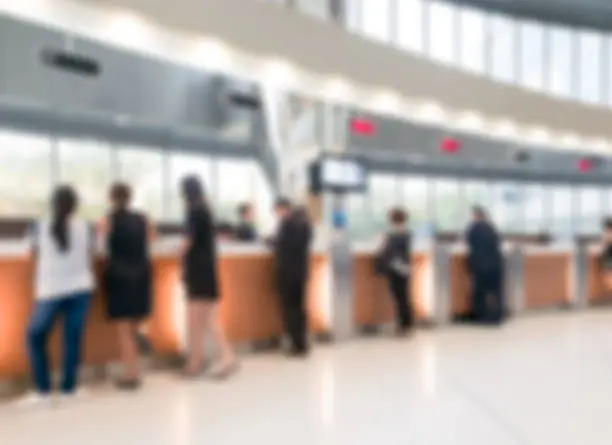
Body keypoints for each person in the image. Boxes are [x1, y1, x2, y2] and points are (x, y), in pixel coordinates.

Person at [24, 185, 93, 405]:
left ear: (52, 204)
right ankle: (68, 389)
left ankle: (43, 391)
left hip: (50, 290)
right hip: (80, 288)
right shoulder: (86, 227)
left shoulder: (38, 226)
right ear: (75, 206)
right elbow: (94, 250)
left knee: (35, 336)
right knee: (72, 339)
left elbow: (30, 252)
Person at [181, 176, 237, 378]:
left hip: (197, 271)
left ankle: (198, 361)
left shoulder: (194, 211)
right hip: (207, 269)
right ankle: (212, 357)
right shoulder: (206, 209)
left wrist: (179, 252)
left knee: (197, 319)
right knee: (206, 318)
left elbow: (189, 241)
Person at [98, 183, 153, 390]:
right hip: (141, 273)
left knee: (123, 330)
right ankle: (141, 332)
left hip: (119, 274)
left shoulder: (106, 220)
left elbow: (101, 246)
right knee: (134, 321)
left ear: (111, 198)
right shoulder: (144, 219)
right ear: (130, 198)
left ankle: (131, 375)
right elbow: (153, 241)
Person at [273, 197, 313, 356]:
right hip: (301, 271)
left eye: (277, 211)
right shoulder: (305, 224)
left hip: (287, 272)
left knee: (290, 308)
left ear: (283, 208)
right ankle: (302, 342)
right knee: (300, 307)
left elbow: (279, 244)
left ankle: (295, 344)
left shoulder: (287, 224)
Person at [376, 207, 413, 335]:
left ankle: (403, 326)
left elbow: (385, 252)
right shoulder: (407, 233)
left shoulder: (392, 235)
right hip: (405, 268)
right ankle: (407, 324)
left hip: (395, 268)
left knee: (399, 298)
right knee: (404, 297)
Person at [465, 206, 504, 324]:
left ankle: (481, 316)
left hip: (480, 266)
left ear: (476, 216)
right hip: (495, 265)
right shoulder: (492, 228)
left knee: (479, 292)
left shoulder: (474, 228)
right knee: (495, 292)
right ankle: (497, 315)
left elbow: (469, 243)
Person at [599, 218, 612, 292]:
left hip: (609, 259)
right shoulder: (607, 234)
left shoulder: (608, 235)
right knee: (607, 277)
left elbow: (605, 244)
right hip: (607, 258)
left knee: (608, 276)